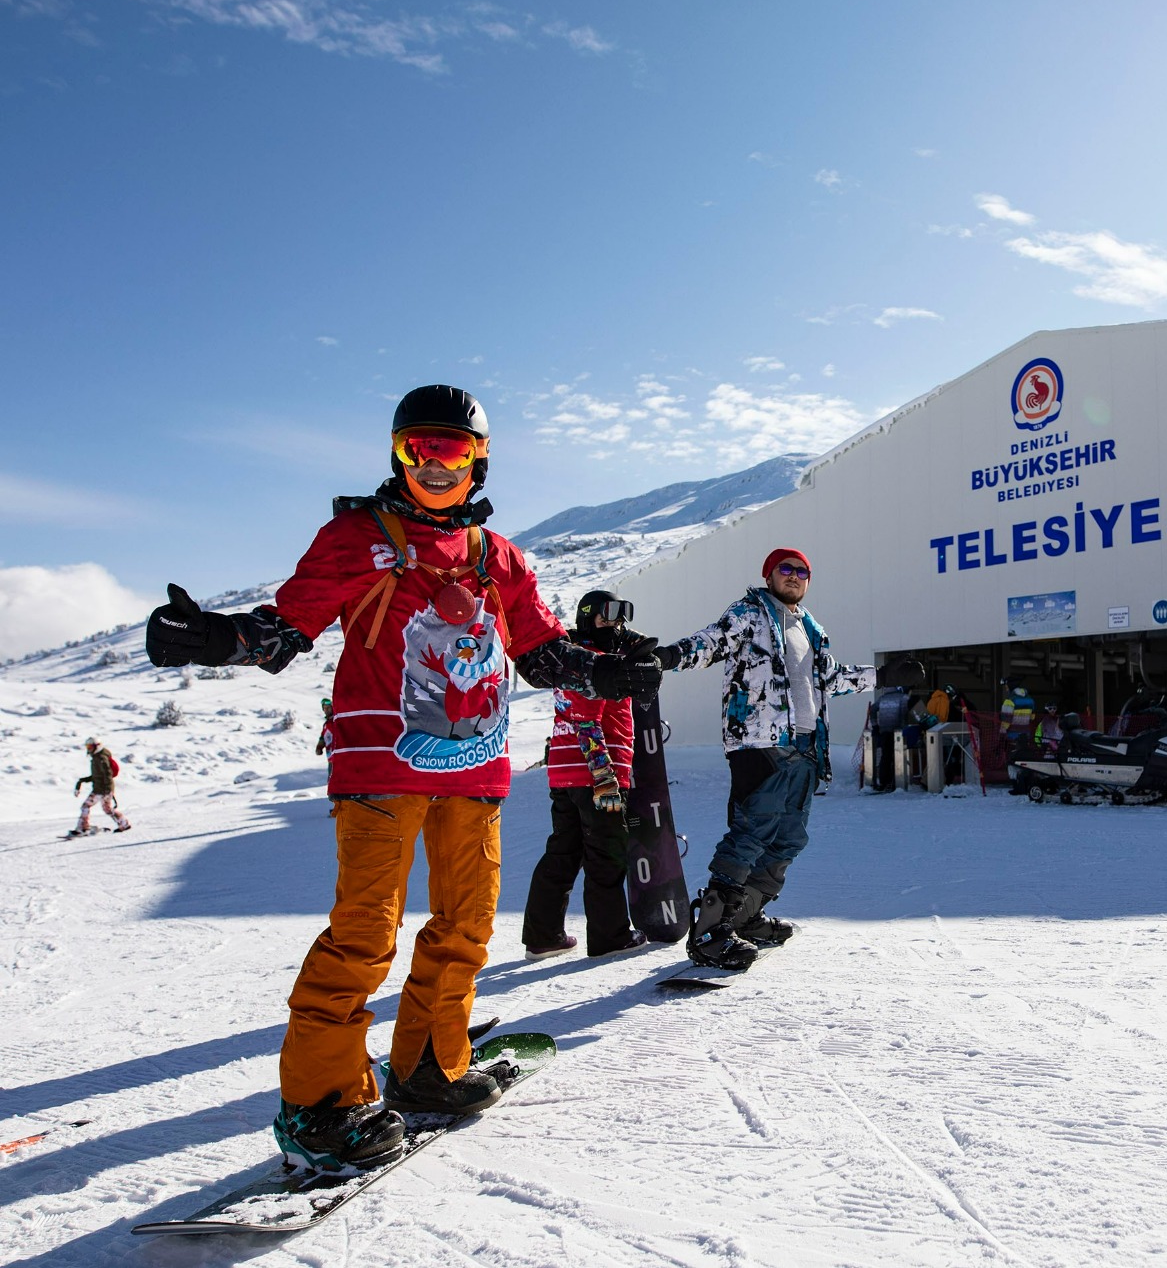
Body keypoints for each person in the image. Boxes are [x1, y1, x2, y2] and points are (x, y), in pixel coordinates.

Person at [144, 385, 661, 1173]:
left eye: (451, 450)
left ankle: (428, 1066)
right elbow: (285, 628)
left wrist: (611, 669)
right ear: (396, 454)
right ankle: (322, 1103)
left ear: (478, 459)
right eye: (418, 448)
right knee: (364, 935)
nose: (434, 465)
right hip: (381, 765)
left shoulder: (498, 557)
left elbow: (545, 654)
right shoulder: (358, 536)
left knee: (466, 927)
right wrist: (215, 637)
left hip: (476, 770)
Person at [654, 546, 875, 969]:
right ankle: (709, 933)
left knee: (789, 838)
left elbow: (830, 677)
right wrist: (668, 656)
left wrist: (882, 675)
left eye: (802, 571)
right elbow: (711, 642)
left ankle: (745, 918)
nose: (794, 576)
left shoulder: (810, 626)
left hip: (806, 749)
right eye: (785, 569)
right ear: (769, 575)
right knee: (751, 833)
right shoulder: (748, 614)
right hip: (759, 744)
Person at [521, 590, 651, 959]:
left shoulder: (571, 661)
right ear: (587, 616)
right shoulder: (593, 664)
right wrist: (605, 776)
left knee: (564, 851)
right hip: (595, 775)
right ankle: (610, 936)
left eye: (620, 617)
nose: (615, 624)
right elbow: (585, 721)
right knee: (606, 853)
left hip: (565, 775)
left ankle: (544, 936)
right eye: (606, 616)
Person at [69, 737, 130, 836]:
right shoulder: (97, 757)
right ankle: (124, 824)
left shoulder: (101, 758)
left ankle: (82, 828)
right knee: (107, 809)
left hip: (101, 789)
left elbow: (107, 774)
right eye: (87, 747)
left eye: (90, 747)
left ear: (97, 746)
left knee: (86, 806)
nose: (88, 749)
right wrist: (83, 780)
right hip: (104, 788)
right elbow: (98, 775)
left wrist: (107, 789)